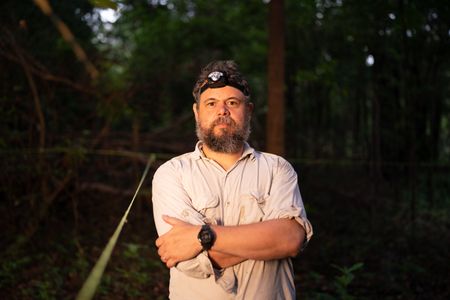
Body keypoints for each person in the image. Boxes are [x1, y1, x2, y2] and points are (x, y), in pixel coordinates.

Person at [151, 60, 313, 300]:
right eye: (211, 103)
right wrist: (267, 241)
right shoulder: (172, 173)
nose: (222, 111)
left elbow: (290, 239)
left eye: (232, 103)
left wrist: (203, 237)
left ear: (248, 110)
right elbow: (188, 260)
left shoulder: (277, 169)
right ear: (197, 113)